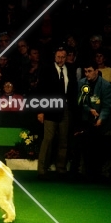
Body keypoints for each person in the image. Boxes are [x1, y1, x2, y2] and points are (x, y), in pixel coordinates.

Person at [36, 47, 78, 180]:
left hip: (65, 108)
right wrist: (40, 110)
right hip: (50, 108)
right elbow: (41, 90)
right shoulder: (47, 69)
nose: (61, 59)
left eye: (63, 57)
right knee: (48, 139)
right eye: (58, 57)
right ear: (54, 57)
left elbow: (73, 90)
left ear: (66, 57)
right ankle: (42, 169)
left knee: (64, 140)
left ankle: (61, 168)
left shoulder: (70, 70)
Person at [72, 60, 111, 181]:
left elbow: (107, 106)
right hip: (87, 122)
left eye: (89, 71)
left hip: (103, 122)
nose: (87, 74)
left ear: (96, 71)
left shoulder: (106, 85)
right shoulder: (81, 83)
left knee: (104, 149)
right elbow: (80, 102)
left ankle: (104, 174)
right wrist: (89, 109)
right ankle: (84, 174)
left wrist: (101, 119)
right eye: (85, 71)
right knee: (86, 148)